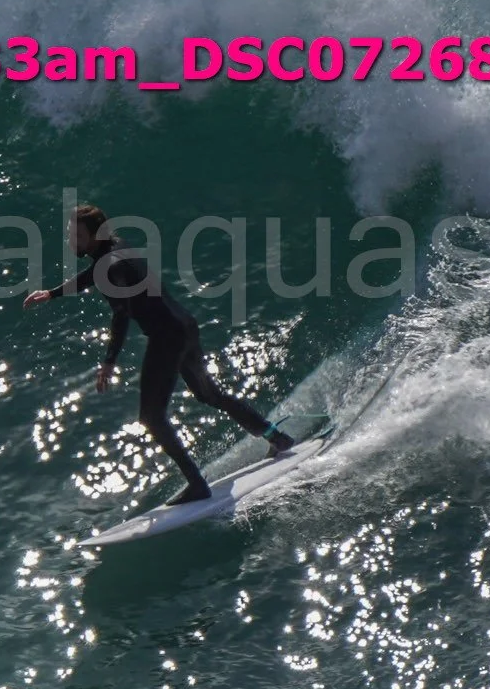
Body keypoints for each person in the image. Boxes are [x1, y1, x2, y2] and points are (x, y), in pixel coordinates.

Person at [24, 204, 295, 502]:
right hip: (185, 327)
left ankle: (197, 484)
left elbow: (121, 314)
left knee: (152, 417)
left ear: (94, 235)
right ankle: (276, 437)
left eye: (76, 234)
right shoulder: (116, 246)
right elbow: (92, 275)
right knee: (210, 395)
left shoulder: (111, 266)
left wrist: (109, 361)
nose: (70, 239)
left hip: (167, 339)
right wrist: (52, 293)